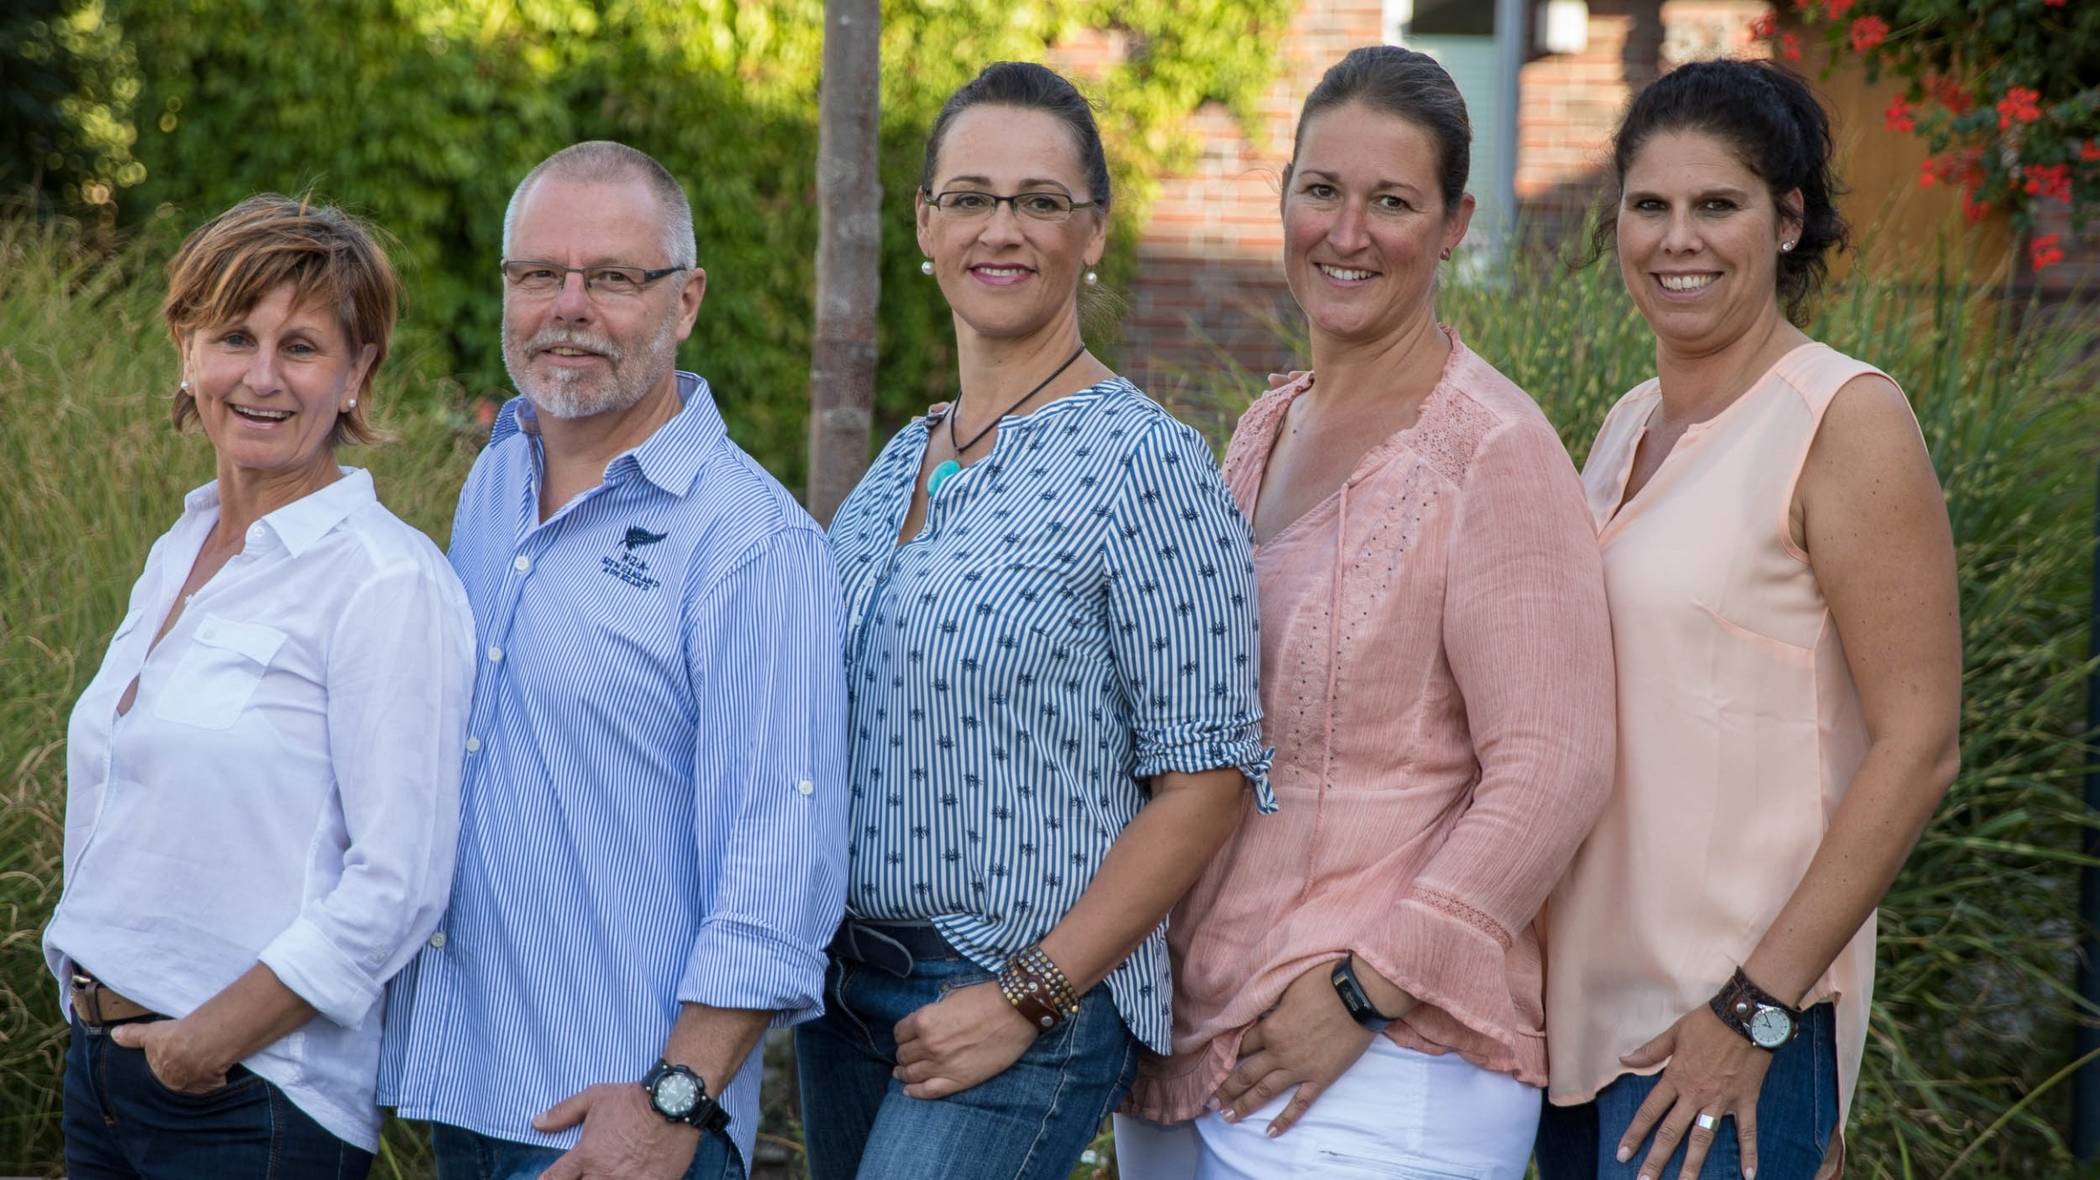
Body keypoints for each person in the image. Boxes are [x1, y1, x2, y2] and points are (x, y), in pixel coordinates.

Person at [1110, 46, 1615, 1179]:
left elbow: (1556, 766)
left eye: (1392, 202)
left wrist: (1362, 988)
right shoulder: (1261, 430)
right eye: (1322, 191)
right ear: (1284, 194)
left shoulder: (1492, 449)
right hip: (1199, 1043)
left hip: (1382, 1062)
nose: (1347, 232)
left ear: (1453, 225)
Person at [799, 62, 1272, 1180]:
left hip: (1015, 997)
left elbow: (1207, 781)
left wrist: (1026, 995)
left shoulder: (1144, 461)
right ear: (924, 221)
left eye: (1039, 201)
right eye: (969, 196)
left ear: (1093, 231)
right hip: (844, 997)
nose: (999, 229)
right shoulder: (895, 465)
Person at [376, 141, 851, 1180]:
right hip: (467, 1095)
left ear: (685, 301)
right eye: (539, 274)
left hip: (627, 1134)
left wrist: (671, 1102)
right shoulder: (497, 479)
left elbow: (779, 869)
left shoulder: (752, 546)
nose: (570, 306)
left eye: (615, 278)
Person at [1534, 59, 1962, 1180]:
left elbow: (1920, 748)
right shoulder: (1628, 426)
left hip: (1720, 1034)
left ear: (1787, 221)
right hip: (1577, 1036)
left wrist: (1754, 1010)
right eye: (1650, 205)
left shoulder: (1844, 418)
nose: (1678, 240)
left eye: (1716, 206)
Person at [44, 194, 474, 1178]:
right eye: (235, 336)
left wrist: (209, 1042)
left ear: (358, 373)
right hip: (104, 1075)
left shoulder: (384, 579)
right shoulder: (180, 546)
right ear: (187, 352)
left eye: (304, 346)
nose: (263, 377)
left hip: (248, 1100)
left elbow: (400, 880)